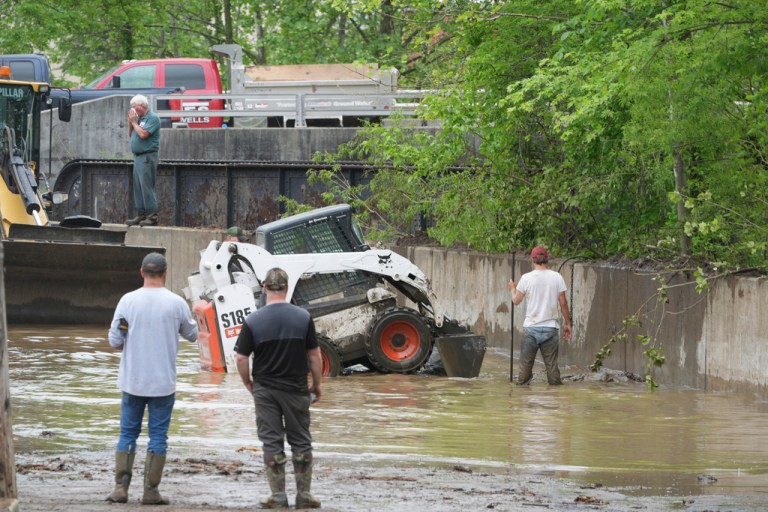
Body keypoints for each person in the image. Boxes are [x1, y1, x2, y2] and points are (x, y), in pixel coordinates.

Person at [106, 252, 199, 505]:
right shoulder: (176, 303)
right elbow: (192, 335)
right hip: (163, 384)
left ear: (141, 272)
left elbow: (115, 341)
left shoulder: (127, 301)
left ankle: (120, 489)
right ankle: (150, 491)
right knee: (158, 436)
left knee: (127, 433)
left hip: (132, 381)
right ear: (166, 273)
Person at [235, 267, 323, 509]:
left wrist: (248, 383)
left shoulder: (253, 320)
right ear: (286, 288)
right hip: (296, 389)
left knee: (272, 442)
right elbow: (315, 355)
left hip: (265, 390)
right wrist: (316, 385)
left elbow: (241, 358)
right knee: (301, 441)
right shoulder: (303, 317)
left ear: (264, 288)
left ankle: (278, 496)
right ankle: (304, 495)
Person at [508, 246, 572, 385]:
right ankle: (555, 400)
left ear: (532, 260)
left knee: (524, 373)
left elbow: (516, 301)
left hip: (531, 329)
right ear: (547, 259)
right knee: (553, 372)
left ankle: (523, 399)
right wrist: (568, 323)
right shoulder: (557, 277)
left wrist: (512, 289)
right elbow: (563, 303)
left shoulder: (526, 278)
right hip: (550, 329)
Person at [125, 94, 161, 227]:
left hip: (147, 156)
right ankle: (141, 214)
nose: (133, 110)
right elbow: (131, 134)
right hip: (138, 156)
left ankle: (152, 216)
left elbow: (143, 134)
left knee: (146, 186)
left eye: (135, 107)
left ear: (142, 105)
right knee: (138, 187)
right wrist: (131, 123)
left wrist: (134, 122)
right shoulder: (139, 119)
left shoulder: (153, 118)